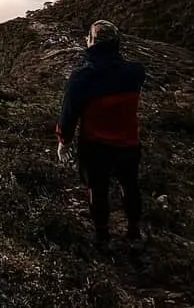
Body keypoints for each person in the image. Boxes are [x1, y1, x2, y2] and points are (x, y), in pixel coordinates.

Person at [56, 19, 146, 252]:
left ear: (92, 42)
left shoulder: (82, 77)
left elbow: (69, 113)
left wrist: (63, 140)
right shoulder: (135, 72)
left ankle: (102, 235)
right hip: (128, 142)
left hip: (95, 144)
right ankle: (134, 229)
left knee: (97, 188)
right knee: (130, 185)